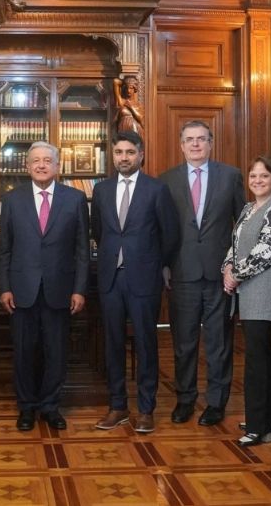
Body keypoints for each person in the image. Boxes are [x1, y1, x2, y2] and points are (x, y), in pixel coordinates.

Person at [0, 141, 89, 431]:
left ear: (57, 166)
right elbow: (5, 250)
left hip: (60, 290)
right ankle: (26, 407)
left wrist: (79, 289)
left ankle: (50, 406)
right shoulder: (12, 200)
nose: (40, 165)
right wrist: (4, 288)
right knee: (24, 351)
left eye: (47, 160)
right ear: (27, 167)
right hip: (21, 290)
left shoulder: (75, 199)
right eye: (35, 160)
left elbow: (82, 250)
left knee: (56, 351)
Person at [91, 130, 179, 434]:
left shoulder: (156, 189)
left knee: (145, 343)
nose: (124, 158)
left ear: (140, 155)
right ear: (112, 155)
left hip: (144, 278)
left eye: (130, 152)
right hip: (110, 278)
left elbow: (170, 235)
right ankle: (118, 407)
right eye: (119, 153)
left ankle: (145, 409)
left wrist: (155, 264)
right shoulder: (101, 190)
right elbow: (99, 231)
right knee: (112, 343)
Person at [159, 121, 245, 426]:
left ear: (211, 143)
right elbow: (162, 229)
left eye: (201, 139)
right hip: (181, 272)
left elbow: (243, 225)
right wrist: (164, 265)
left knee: (219, 342)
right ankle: (185, 398)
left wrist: (234, 264)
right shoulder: (166, 180)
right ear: (181, 145)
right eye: (189, 140)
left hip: (220, 273)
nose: (195, 145)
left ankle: (217, 402)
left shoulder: (230, 176)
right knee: (183, 342)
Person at [222, 156, 271, 446]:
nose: (258, 181)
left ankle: (257, 426)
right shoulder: (249, 208)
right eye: (253, 176)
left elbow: (268, 251)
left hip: (264, 288)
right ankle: (270, 417)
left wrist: (235, 275)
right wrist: (226, 267)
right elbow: (235, 244)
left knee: (256, 358)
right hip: (244, 288)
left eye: (264, 176)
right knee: (262, 354)